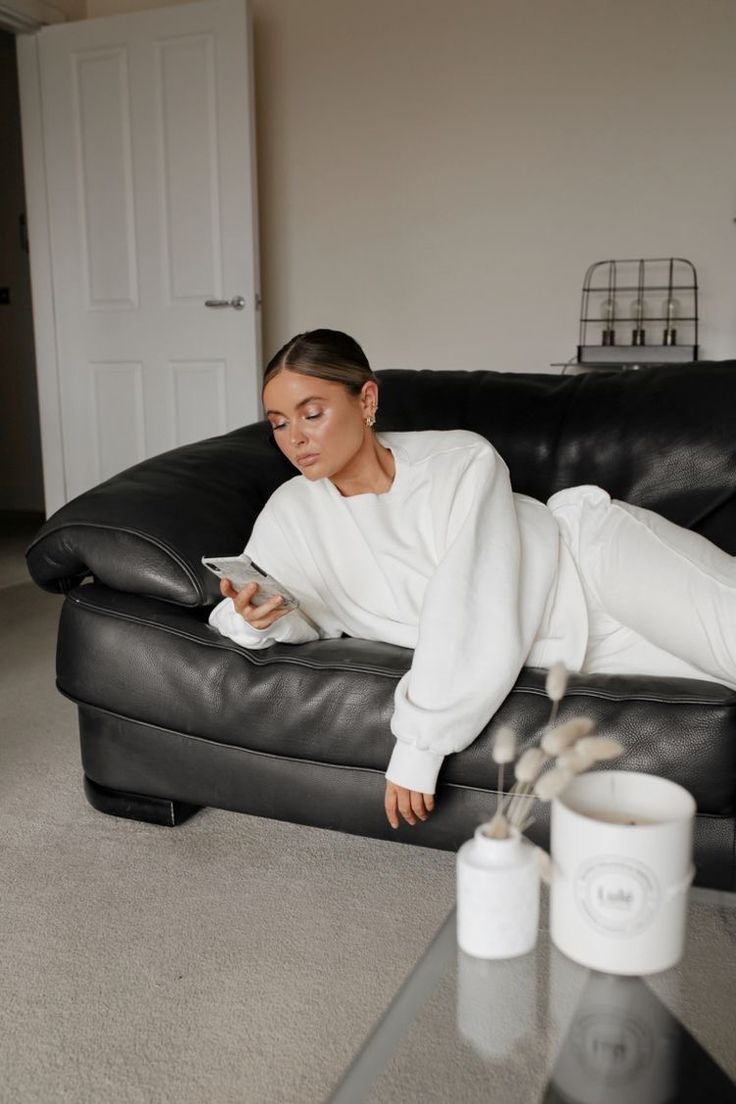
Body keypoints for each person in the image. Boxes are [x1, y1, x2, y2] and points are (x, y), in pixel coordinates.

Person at [208, 329, 736, 830]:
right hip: (568, 651)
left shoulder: (459, 459)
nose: (295, 438)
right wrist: (255, 617)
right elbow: (283, 608)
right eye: (278, 423)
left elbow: (471, 600)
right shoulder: (290, 511)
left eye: (312, 414)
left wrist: (419, 744)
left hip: (597, 564)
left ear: (366, 400)